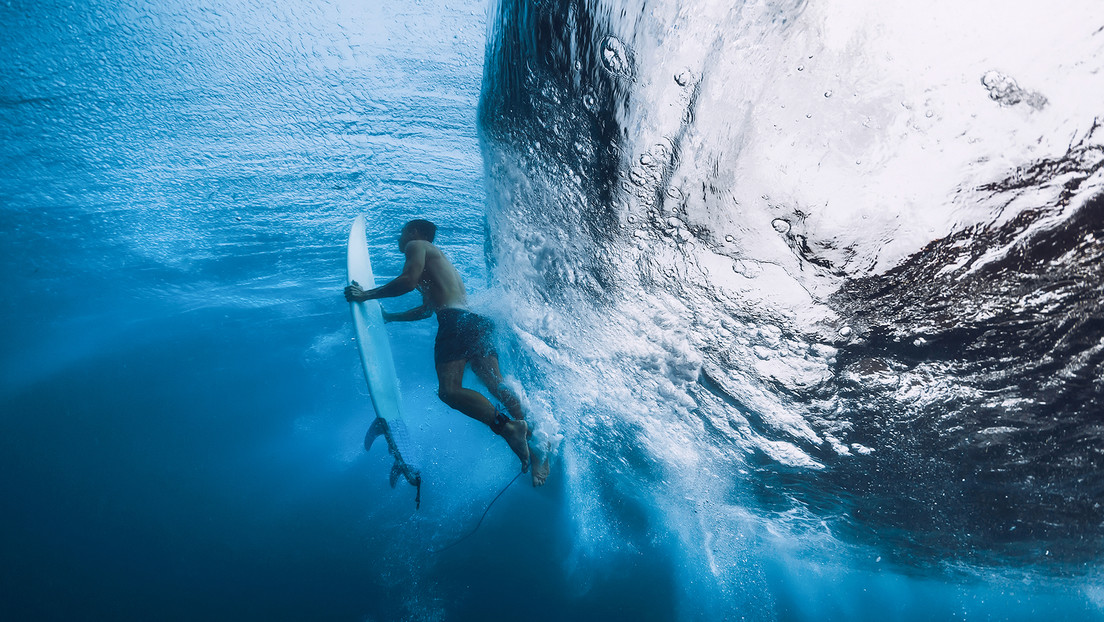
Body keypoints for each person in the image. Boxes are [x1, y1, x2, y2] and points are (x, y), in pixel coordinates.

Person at [344, 219, 550, 486]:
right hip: (476, 321)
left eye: (402, 231)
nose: (400, 236)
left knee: (449, 391)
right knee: (496, 384)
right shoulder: (440, 264)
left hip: (455, 322)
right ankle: (534, 444)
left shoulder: (417, 245)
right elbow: (427, 309)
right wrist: (391, 318)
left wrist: (365, 295)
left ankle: (509, 427)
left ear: (416, 233)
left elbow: (407, 281)